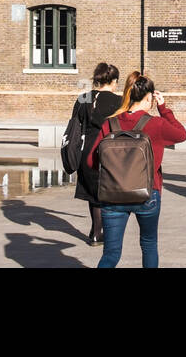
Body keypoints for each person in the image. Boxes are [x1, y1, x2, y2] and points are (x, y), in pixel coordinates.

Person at [85, 74, 186, 268]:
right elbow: (181, 134)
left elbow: (91, 161)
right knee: (148, 245)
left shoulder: (110, 123)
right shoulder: (156, 124)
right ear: (149, 98)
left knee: (111, 254)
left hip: (112, 196)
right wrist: (163, 108)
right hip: (147, 193)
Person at [72, 62, 123, 246]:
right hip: (110, 150)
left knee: (93, 193)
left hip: (87, 151)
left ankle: (96, 231)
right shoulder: (119, 101)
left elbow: (74, 125)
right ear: (114, 81)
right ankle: (105, 231)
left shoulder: (84, 98)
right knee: (109, 192)